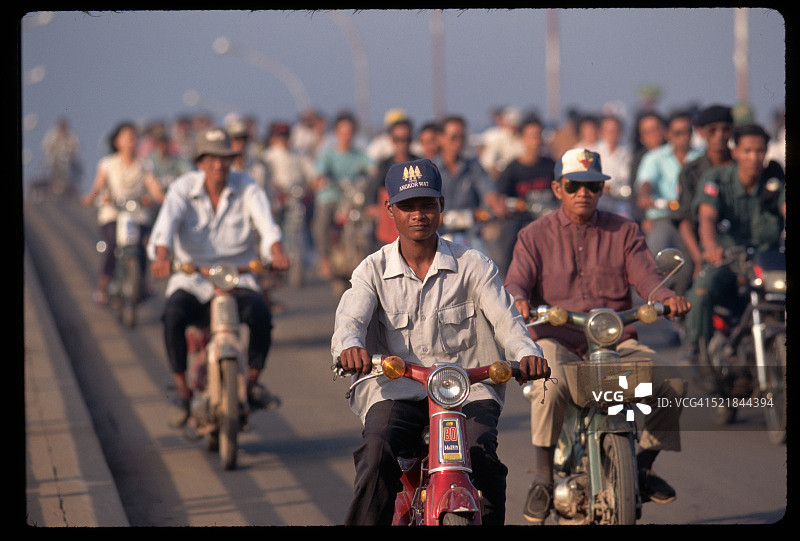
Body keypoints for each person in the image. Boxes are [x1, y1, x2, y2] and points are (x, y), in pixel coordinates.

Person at [332, 158, 550, 525]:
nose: (418, 215)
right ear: (390, 210)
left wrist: (527, 353)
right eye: (407, 206)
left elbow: (506, 320)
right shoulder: (372, 269)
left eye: (427, 205)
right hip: (396, 389)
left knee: (485, 463)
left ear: (441, 207)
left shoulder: (474, 265)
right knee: (376, 454)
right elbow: (350, 319)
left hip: (467, 393)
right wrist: (349, 347)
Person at [504, 148, 691, 523]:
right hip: (558, 341)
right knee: (549, 382)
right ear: (558, 188)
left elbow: (646, 279)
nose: (583, 193)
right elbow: (515, 283)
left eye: (592, 186)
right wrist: (519, 301)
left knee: (672, 381)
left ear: (602, 190)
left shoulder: (624, 231)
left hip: (614, 342)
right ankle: (542, 476)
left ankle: (644, 464)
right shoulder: (533, 235)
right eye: (574, 185)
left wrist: (667, 297)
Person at [148, 127, 290, 426]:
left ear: (232, 161)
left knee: (262, 315)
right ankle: (182, 389)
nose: (219, 165)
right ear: (200, 162)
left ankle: (250, 385)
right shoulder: (183, 189)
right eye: (211, 158)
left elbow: (267, 226)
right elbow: (166, 227)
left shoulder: (247, 186)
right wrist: (162, 257)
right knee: (172, 315)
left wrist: (276, 252)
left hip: (237, 279)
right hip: (193, 279)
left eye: (225, 158)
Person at [683, 123, 785, 364]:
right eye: (747, 151)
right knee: (701, 291)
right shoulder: (717, 178)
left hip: (767, 261)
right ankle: (695, 350)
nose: (754, 157)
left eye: (759, 151)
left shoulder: (774, 178)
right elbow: (706, 217)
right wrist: (710, 248)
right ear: (736, 151)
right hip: (729, 259)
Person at [82, 121, 165, 305]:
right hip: (113, 214)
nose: (130, 141)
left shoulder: (144, 165)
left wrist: (164, 198)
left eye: (134, 137)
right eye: (126, 137)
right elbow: (98, 186)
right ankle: (103, 285)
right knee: (112, 244)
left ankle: (143, 281)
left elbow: (154, 188)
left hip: (136, 214)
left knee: (145, 243)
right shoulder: (107, 164)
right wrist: (91, 197)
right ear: (117, 141)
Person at [635, 110, 703, 295]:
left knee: (695, 265)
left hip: (695, 218)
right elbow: (645, 183)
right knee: (656, 260)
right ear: (669, 135)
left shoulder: (701, 158)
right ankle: (653, 299)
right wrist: (645, 196)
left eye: (687, 131)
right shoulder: (655, 158)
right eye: (678, 132)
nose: (683, 137)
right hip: (665, 218)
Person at [311, 110, 375, 279]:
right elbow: (319, 173)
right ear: (336, 133)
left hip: (352, 198)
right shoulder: (328, 153)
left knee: (367, 220)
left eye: (350, 131)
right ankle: (324, 259)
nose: (347, 135)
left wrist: (374, 174)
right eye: (343, 131)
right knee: (322, 221)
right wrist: (322, 180)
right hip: (331, 196)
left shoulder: (359, 154)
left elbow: (371, 168)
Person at [675, 105, 734, 286]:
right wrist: (699, 258)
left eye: (725, 129)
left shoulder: (742, 165)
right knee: (684, 279)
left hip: (737, 241)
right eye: (712, 130)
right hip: (700, 242)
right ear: (700, 132)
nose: (719, 135)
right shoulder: (690, 171)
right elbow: (685, 221)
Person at [494, 114, 556, 277]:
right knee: (509, 234)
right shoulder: (512, 169)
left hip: (547, 221)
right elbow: (500, 197)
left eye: (539, 135)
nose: (537, 141)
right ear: (522, 138)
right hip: (520, 222)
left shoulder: (551, 165)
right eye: (532, 136)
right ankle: (508, 279)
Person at [433, 115, 505, 251]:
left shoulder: (473, 167)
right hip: (439, 235)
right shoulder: (431, 170)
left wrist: (496, 203)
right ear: (440, 138)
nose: (458, 143)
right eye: (453, 137)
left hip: (471, 236)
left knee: (485, 264)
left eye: (462, 137)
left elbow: (488, 189)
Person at [370, 117, 420, 246]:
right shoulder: (384, 166)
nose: (403, 144)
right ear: (392, 140)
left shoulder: (419, 164)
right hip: (389, 226)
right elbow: (372, 191)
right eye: (398, 139)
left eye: (407, 139)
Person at [594, 114, 633, 218]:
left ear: (621, 132)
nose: (612, 134)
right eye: (608, 130)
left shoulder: (629, 153)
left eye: (615, 130)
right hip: (598, 202)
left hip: (622, 202)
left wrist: (611, 189)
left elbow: (628, 182)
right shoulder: (594, 153)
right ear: (601, 132)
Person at [42, 117, 82, 196]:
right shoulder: (52, 135)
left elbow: (76, 147)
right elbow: (46, 147)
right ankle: (50, 183)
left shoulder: (70, 136)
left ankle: (70, 184)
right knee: (48, 168)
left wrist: (70, 153)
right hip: (53, 159)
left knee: (76, 170)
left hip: (67, 160)